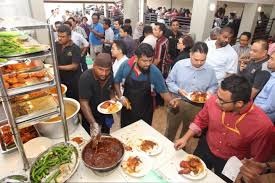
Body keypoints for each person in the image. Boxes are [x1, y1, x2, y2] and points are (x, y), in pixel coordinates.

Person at [174, 74, 273, 182]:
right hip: (205, 147)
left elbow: (258, 158)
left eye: (222, 100)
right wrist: (185, 138)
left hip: (230, 163)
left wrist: (246, 172)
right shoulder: (213, 100)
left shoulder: (263, 126)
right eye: (217, 95)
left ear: (239, 103)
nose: (216, 101)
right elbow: (200, 120)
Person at [114, 43, 178, 127]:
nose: (148, 64)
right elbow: (116, 82)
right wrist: (120, 96)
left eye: (150, 60)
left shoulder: (154, 72)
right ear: (136, 58)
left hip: (145, 112)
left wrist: (171, 101)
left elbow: (163, 91)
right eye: (144, 61)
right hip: (127, 109)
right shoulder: (126, 66)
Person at [166, 42, 218, 142]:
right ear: (190, 54)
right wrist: (178, 90)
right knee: (171, 128)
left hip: (196, 106)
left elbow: (214, 85)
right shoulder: (179, 65)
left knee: (188, 130)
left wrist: (209, 93)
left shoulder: (210, 70)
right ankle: (167, 145)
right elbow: (169, 81)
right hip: (178, 101)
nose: (199, 63)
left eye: (202, 60)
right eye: (196, 59)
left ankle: (182, 148)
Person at [79, 53, 114, 135]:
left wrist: (113, 99)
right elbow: (84, 103)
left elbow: (111, 90)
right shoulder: (85, 78)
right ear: (94, 65)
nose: (104, 74)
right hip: (90, 114)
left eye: (107, 70)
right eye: (101, 69)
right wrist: (93, 123)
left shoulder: (110, 75)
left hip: (105, 113)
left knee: (106, 136)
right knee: (91, 140)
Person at [55, 25, 82, 101]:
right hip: (61, 78)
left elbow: (74, 66)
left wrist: (58, 67)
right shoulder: (57, 45)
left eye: (63, 36)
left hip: (73, 80)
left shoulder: (75, 48)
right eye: (59, 36)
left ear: (69, 37)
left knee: (74, 98)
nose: (60, 38)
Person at [254, 51, 275, 123]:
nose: (268, 61)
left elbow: (270, 107)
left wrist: (252, 109)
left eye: (272, 59)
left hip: (262, 117)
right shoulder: (272, 75)